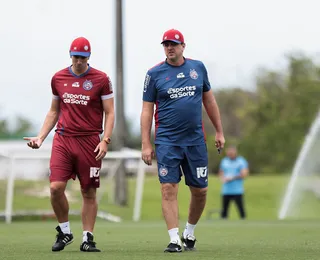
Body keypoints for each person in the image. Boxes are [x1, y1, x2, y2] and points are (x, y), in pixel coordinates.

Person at [23, 37, 115, 252]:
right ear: (70, 55)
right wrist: (40, 137)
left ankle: (88, 238)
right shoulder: (58, 78)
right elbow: (54, 111)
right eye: (75, 57)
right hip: (63, 140)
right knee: (55, 188)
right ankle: (65, 232)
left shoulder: (101, 79)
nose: (79, 61)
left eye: (83, 58)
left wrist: (105, 140)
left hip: (90, 141)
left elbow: (110, 113)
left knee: (88, 191)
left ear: (89, 57)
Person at [140, 28, 225, 253]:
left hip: (195, 141)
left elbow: (210, 101)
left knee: (200, 191)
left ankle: (189, 233)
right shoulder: (154, 74)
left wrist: (219, 131)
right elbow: (147, 111)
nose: (169, 48)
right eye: (166, 44)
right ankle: (173, 239)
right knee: (168, 188)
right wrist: (145, 143)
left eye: (173, 44)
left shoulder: (197, 68)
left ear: (183, 46)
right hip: (167, 141)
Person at [218, 146, 249, 219]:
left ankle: (244, 225)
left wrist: (232, 177)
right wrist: (223, 178)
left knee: (241, 211)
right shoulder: (224, 161)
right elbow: (221, 172)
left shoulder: (241, 161)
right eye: (229, 152)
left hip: (237, 190)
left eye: (232, 152)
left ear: (235, 152)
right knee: (224, 212)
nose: (230, 154)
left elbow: (244, 174)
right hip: (226, 190)